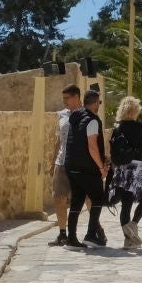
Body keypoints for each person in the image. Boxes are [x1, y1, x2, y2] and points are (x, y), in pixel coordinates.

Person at [108, 95, 142, 249]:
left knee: (126, 204)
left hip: (122, 169)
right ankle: (133, 224)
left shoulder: (116, 128)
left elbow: (113, 150)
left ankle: (128, 240)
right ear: (135, 111)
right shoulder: (140, 127)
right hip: (137, 168)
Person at [63, 86, 111, 248]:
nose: (99, 105)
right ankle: (91, 235)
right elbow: (92, 146)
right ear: (96, 103)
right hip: (87, 167)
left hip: (71, 165)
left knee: (76, 201)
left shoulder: (75, 116)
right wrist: (101, 167)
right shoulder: (92, 120)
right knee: (97, 198)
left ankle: (71, 239)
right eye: (99, 102)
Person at [48, 84, 82, 246]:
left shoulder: (86, 114)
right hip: (61, 163)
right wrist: (52, 162)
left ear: (77, 97)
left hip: (80, 163)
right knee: (59, 198)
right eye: (63, 99)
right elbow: (58, 140)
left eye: (67, 98)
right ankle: (63, 233)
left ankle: (95, 229)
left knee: (86, 198)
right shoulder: (61, 115)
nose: (65, 101)